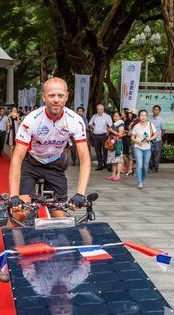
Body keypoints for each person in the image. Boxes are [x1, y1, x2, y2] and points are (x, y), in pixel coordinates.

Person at [8, 77, 90, 223]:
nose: (56, 100)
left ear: (67, 96)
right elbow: (16, 159)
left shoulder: (75, 120)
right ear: (44, 97)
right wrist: (13, 196)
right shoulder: (31, 120)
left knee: (60, 218)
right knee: (20, 212)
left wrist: (80, 194)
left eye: (60, 95)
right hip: (32, 164)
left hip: (55, 165)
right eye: (51, 95)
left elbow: (85, 159)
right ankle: (8, 243)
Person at [130, 109, 157, 189]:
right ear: (139, 116)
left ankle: (141, 179)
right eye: (142, 115)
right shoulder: (136, 126)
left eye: (145, 115)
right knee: (139, 165)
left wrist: (150, 138)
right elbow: (132, 137)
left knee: (145, 167)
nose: (143, 117)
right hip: (138, 147)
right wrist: (136, 141)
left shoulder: (150, 125)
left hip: (147, 148)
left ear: (147, 116)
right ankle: (139, 182)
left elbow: (155, 134)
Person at [88, 104, 113, 171]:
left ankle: (107, 165)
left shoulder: (107, 117)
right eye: (98, 109)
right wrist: (93, 127)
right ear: (97, 109)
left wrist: (107, 134)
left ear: (103, 109)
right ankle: (100, 165)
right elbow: (90, 124)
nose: (99, 111)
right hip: (95, 136)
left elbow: (110, 126)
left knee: (106, 151)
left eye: (101, 109)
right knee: (97, 151)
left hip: (104, 135)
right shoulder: (94, 116)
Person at [106, 111, 126, 181]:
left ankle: (118, 175)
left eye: (117, 116)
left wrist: (112, 131)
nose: (115, 117)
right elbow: (107, 134)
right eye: (114, 116)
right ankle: (113, 174)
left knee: (118, 160)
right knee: (113, 159)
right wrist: (108, 131)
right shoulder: (113, 124)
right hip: (112, 143)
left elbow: (120, 134)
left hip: (118, 143)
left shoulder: (121, 124)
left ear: (120, 117)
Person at [148, 105, 166, 173]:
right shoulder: (149, 119)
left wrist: (159, 136)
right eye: (154, 109)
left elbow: (163, 130)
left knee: (156, 154)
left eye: (157, 110)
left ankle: (155, 168)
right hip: (150, 139)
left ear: (159, 111)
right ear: (152, 110)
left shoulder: (161, 120)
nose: (156, 111)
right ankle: (150, 167)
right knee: (150, 154)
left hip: (157, 140)